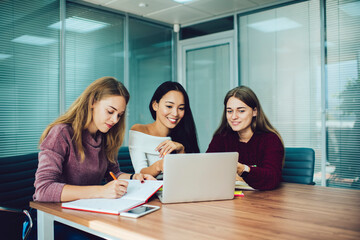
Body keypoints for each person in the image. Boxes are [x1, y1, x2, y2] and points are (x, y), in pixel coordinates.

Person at [33, 76, 155, 203]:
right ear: (92, 102)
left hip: (87, 210)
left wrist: (135, 177)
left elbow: (113, 174)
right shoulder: (62, 133)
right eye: (110, 111)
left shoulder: (105, 136)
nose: (115, 120)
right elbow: (43, 190)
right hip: (56, 215)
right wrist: (101, 191)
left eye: (119, 115)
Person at [206, 86, 284, 190]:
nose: (233, 116)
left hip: (263, 201)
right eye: (229, 111)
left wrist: (242, 170)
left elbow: (272, 179)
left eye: (241, 111)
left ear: (255, 111)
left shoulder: (271, 140)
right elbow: (207, 170)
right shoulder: (221, 137)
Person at [129, 81, 199, 179]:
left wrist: (181, 151)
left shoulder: (184, 134)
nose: (175, 113)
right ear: (155, 105)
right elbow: (140, 172)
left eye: (181, 108)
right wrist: (159, 165)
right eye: (169, 106)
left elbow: (190, 176)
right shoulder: (139, 130)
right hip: (152, 190)